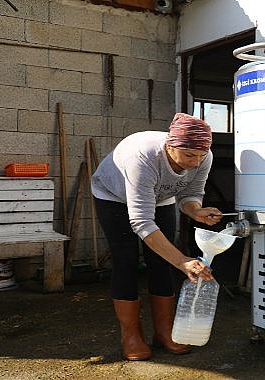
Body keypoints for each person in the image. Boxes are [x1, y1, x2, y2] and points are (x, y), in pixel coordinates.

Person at [91, 113, 223, 361]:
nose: (195, 162)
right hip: (114, 196)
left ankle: (164, 333)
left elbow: (191, 194)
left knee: (161, 261)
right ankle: (130, 335)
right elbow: (142, 223)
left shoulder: (203, 155)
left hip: (161, 197)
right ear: (170, 146)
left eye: (200, 157)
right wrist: (183, 261)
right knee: (126, 259)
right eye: (189, 156)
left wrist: (197, 211)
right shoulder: (142, 158)